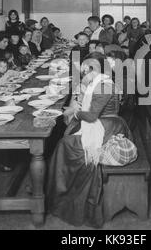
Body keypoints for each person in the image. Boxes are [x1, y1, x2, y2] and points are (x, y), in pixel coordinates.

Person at [47, 52, 133, 228]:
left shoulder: (104, 86)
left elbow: (92, 116)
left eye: (86, 71)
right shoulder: (100, 82)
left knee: (66, 144)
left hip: (108, 128)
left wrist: (74, 112)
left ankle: (60, 191)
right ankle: (55, 187)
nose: (84, 75)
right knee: (67, 137)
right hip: (104, 123)